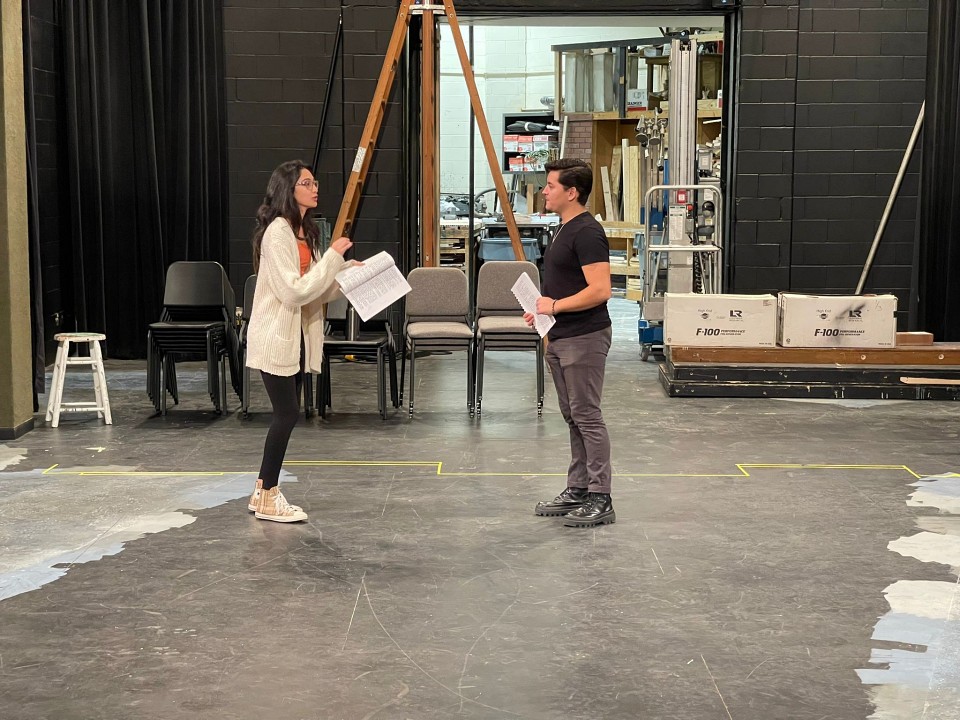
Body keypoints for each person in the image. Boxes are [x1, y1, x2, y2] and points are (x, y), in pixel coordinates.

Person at [245, 160, 354, 523]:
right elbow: (294, 292)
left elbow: (316, 291)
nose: (315, 187)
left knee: (290, 412)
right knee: (287, 413)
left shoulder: (305, 232)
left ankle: (263, 489)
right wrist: (336, 257)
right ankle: (267, 495)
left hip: (299, 337)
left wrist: (349, 275)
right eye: (307, 183)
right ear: (288, 190)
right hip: (276, 336)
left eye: (315, 181)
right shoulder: (277, 233)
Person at [524, 158, 615, 527]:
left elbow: (601, 290)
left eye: (550, 185)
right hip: (561, 335)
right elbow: (563, 286)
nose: (544, 191)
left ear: (571, 192)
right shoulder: (562, 229)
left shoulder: (588, 232)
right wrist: (545, 316)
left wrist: (556, 306)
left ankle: (600, 495)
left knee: (587, 416)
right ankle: (578, 487)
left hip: (585, 336)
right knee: (572, 416)